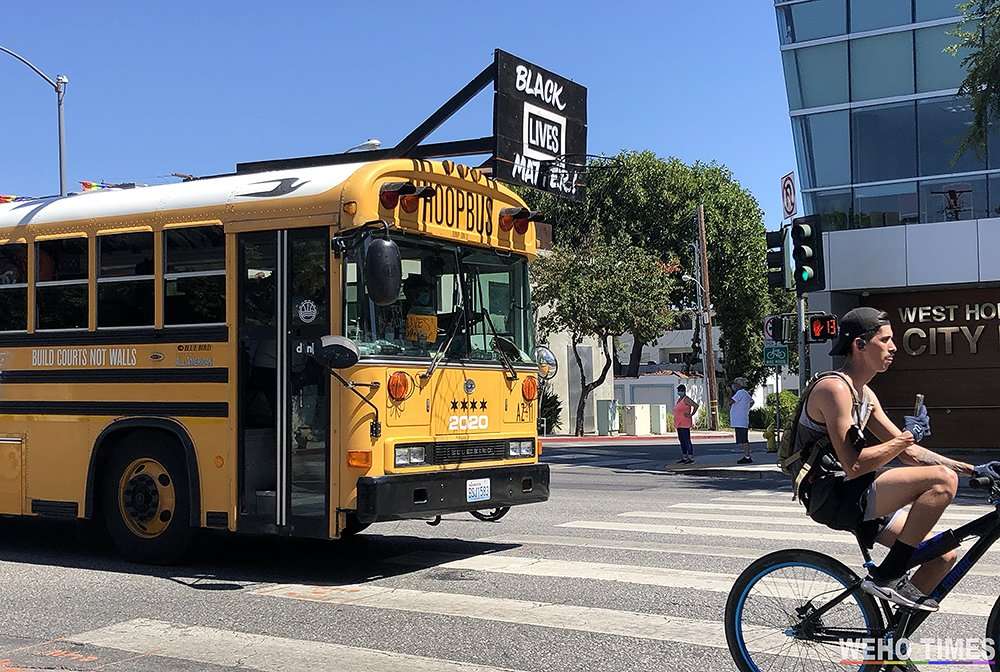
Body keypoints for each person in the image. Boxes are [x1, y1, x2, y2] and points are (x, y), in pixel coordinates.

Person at [791, 306, 986, 612]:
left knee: (943, 555)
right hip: (833, 494)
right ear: (859, 345)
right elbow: (853, 464)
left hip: (857, 490)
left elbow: (908, 454)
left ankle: (891, 646)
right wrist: (906, 437)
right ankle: (889, 575)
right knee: (941, 480)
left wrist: (974, 469)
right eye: (886, 340)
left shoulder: (864, 394)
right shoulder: (833, 389)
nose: (894, 347)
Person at [673, 384, 699, 464]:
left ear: (684, 391)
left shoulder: (686, 399)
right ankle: (684, 456)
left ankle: (690, 457)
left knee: (686, 440)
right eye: (679, 390)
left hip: (685, 423)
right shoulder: (679, 400)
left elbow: (696, 405)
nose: (679, 392)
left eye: (681, 390)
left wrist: (691, 414)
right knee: (682, 440)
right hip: (679, 423)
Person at [730, 377, 753, 464]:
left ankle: (747, 456)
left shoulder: (739, 393)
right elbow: (752, 402)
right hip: (742, 420)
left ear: (738, 385)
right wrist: (746, 409)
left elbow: (730, 401)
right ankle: (746, 456)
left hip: (740, 421)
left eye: (735, 384)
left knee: (744, 440)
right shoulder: (745, 393)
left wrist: (729, 393)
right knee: (744, 440)